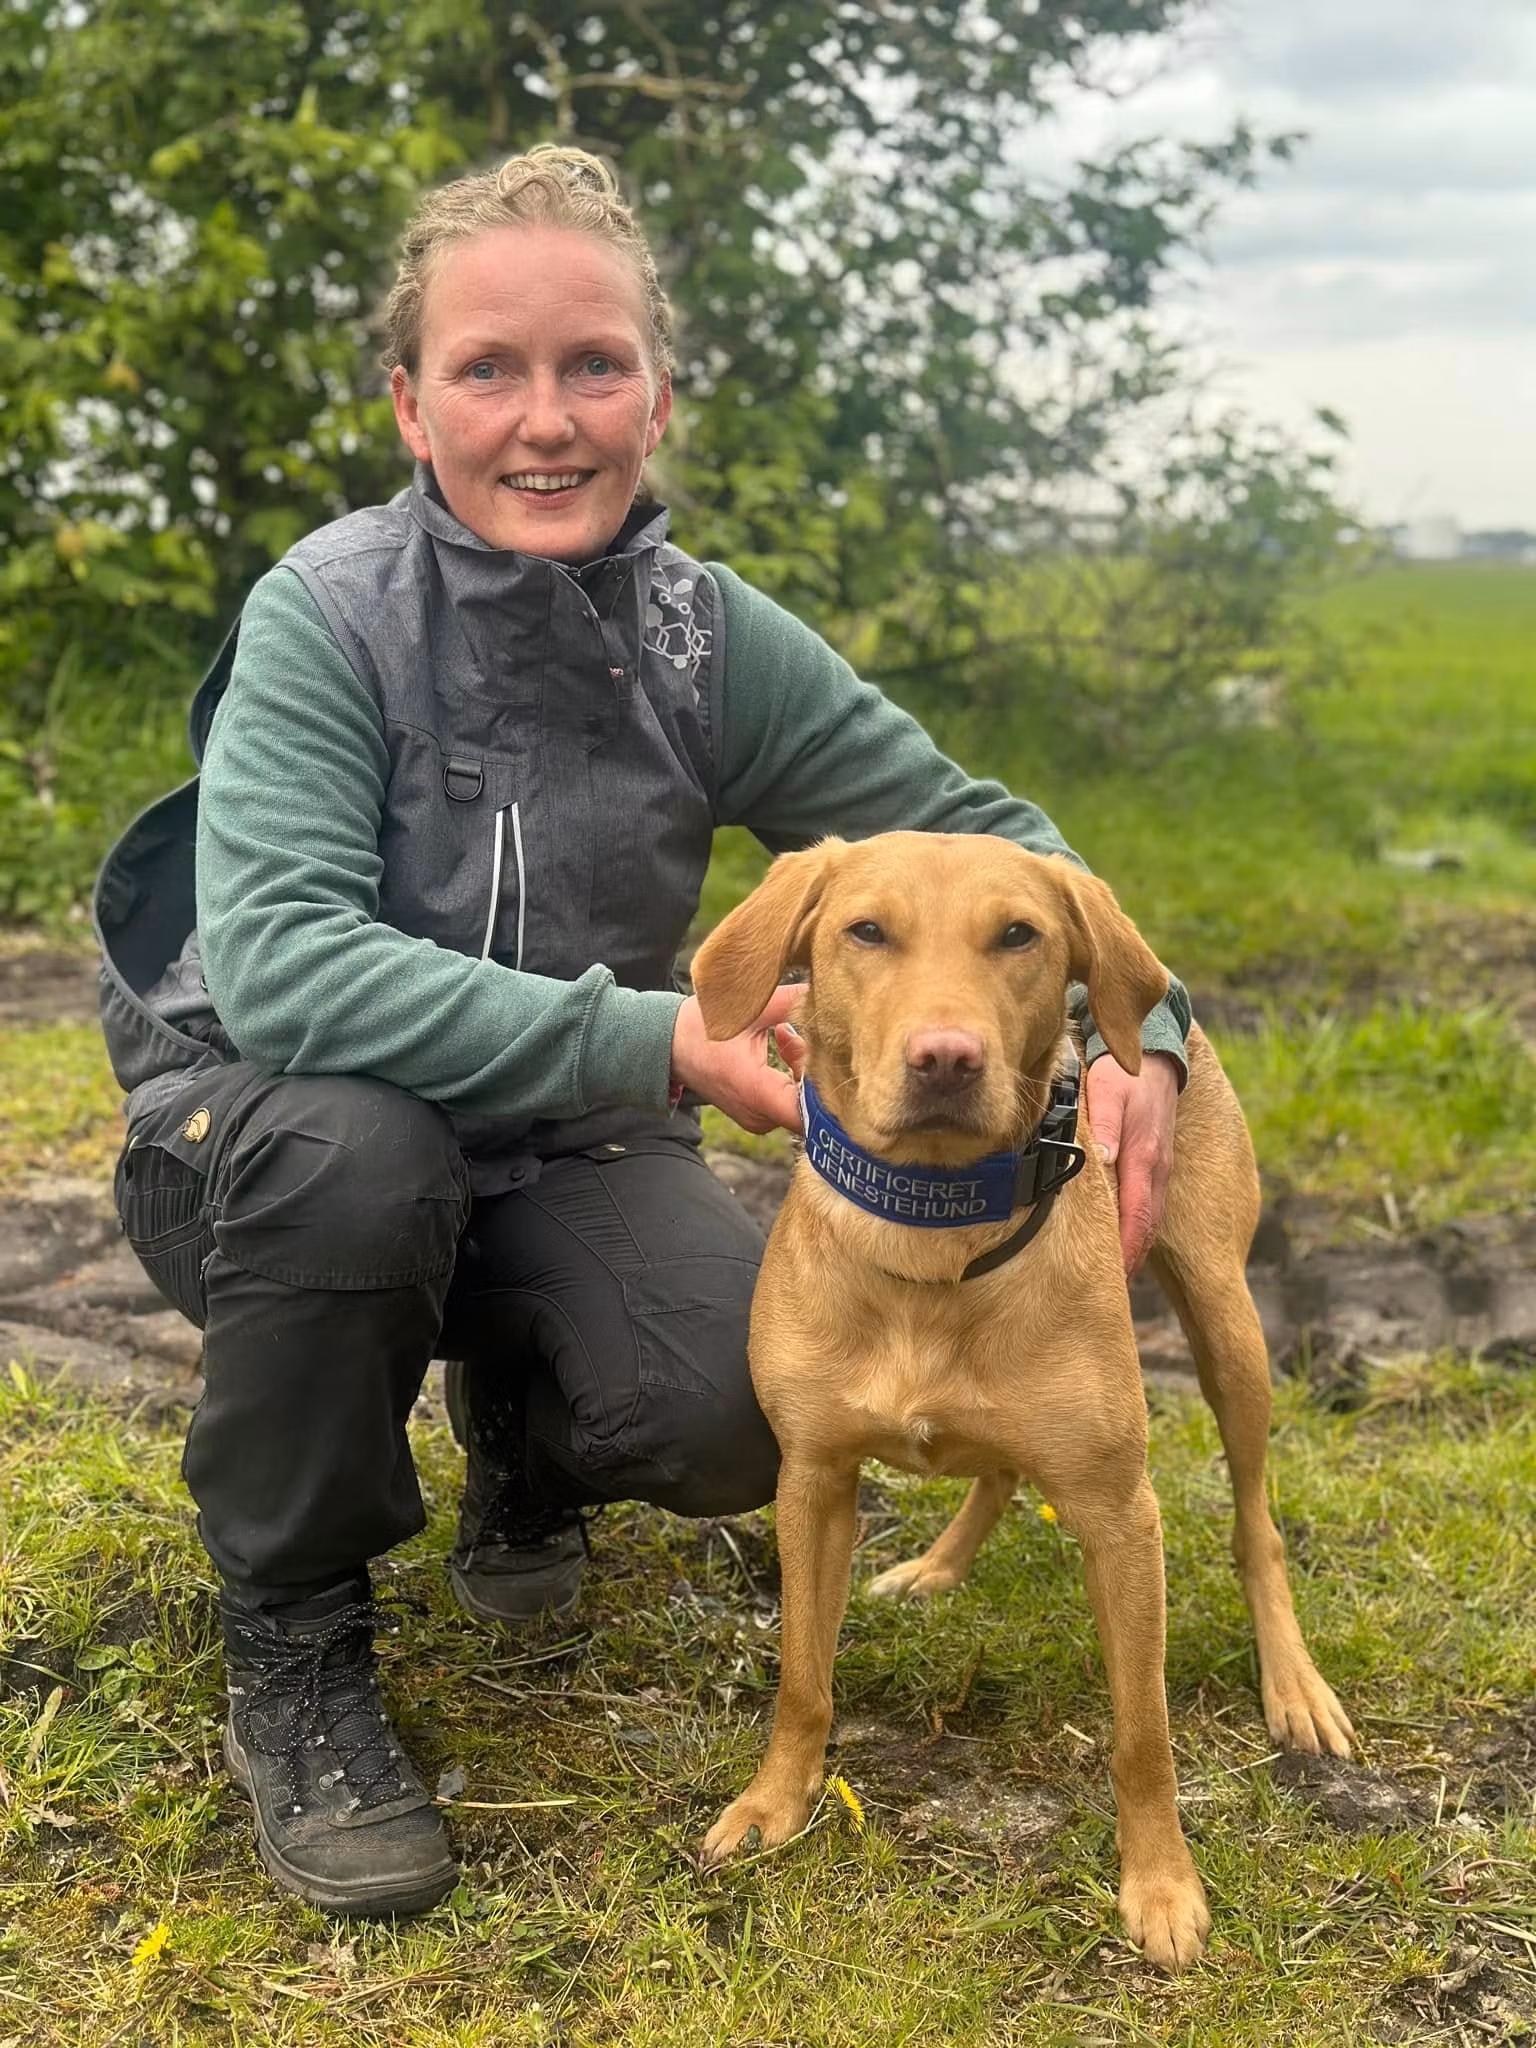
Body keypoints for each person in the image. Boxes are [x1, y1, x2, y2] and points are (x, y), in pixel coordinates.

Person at [94, 145, 1192, 1919]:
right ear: (411, 406)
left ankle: (524, 1443)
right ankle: (294, 1640)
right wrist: (665, 1043)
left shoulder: (705, 637)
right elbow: (286, 972)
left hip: (559, 1146)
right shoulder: (325, 615)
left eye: (594, 366)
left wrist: (1155, 1041)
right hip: (266, 1140)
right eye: (489, 369)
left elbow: (996, 837)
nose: (548, 420)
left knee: (738, 1412)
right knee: (363, 1157)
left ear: (656, 399)